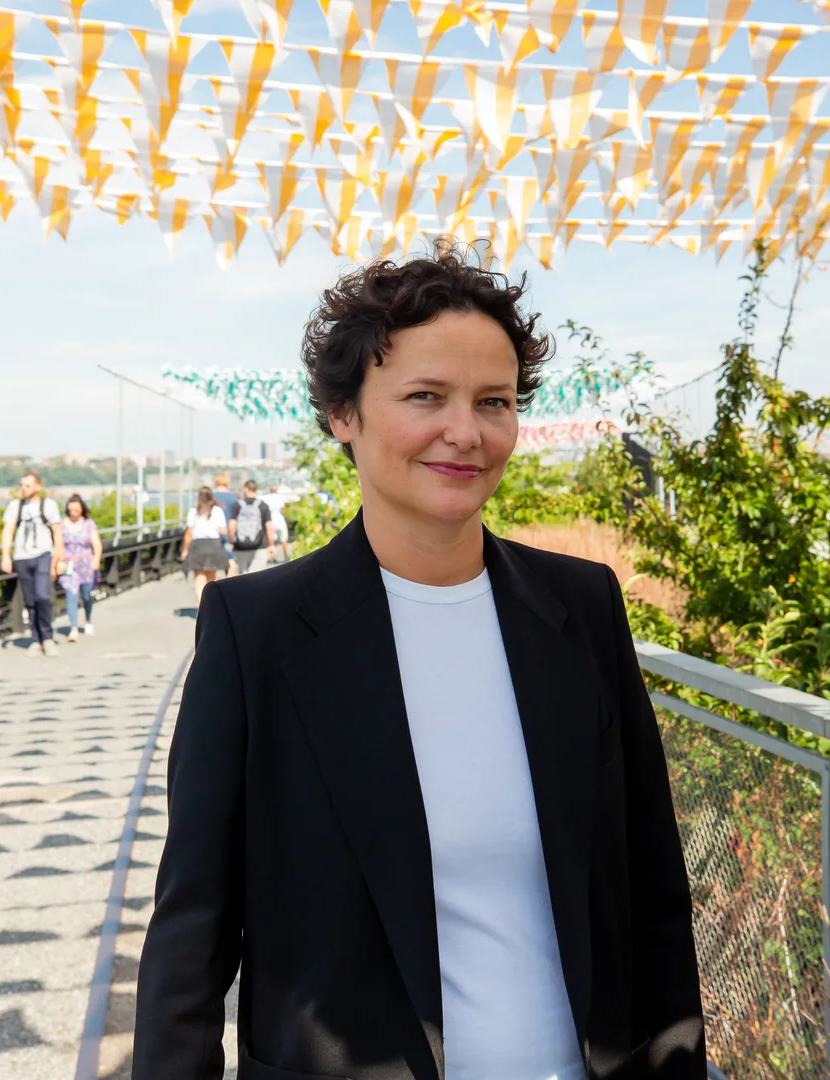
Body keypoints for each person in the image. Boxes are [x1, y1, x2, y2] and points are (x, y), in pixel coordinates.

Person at [134, 242, 708, 1079]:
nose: (465, 432)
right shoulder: (255, 631)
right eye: (424, 397)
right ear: (344, 414)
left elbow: (652, 891)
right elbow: (193, 934)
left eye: (495, 402)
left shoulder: (581, 608)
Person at [0, 472, 64, 657]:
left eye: (28, 485)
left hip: (43, 555)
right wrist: (6, 555)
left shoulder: (48, 505)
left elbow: (58, 533)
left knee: (42, 596)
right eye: (22, 485)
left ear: (38, 486)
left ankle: (47, 637)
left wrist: (59, 559)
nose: (24, 489)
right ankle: (36, 639)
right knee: (30, 600)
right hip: (22, 557)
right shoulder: (15, 506)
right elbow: (8, 531)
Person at [57, 493, 102, 643]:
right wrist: (59, 561)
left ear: (81, 509)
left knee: (86, 595)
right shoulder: (62, 525)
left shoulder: (89, 524)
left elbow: (97, 544)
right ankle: (74, 628)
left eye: (76, 510)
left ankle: (88, 620)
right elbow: (59, 545)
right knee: (71, 595)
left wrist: (96, 559)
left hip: (86, 563)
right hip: (69, 564)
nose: (73, 513)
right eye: (71, 510)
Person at [179, 486, 229, 604]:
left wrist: (185, 550)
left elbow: (188, 534)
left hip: (198, 546)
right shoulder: (217, 510)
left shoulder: (194, 511)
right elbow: (223, 531)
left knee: (199, 577)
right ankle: (211, 606)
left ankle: (202, 605)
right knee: (212, 579)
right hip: (214, 545)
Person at [229, 479, 276, 575]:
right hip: (260, 545)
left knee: (243, 575)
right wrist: (271, 545)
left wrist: (231, 542)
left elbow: (231, 526)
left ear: (245, 489)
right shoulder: (263, 505)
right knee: (258, 576)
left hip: (240, 546)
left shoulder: (237, 505)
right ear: (256, 489)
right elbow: (269, 527)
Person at [211, 474, 239, 572]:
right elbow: (234, 520)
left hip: (212, 534)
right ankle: (230, 583)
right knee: (231, 560)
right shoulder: (233, 498)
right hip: (227, 533)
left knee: (212, 563)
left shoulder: (211, 497)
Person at [261, 483, 293, 563]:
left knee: (272, 540)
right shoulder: (280, 497)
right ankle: (286, 556)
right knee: (284, 539)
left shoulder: (266, 498)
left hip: (270, 520)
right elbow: (283, 509)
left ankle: (273, 557)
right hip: (279, 519)